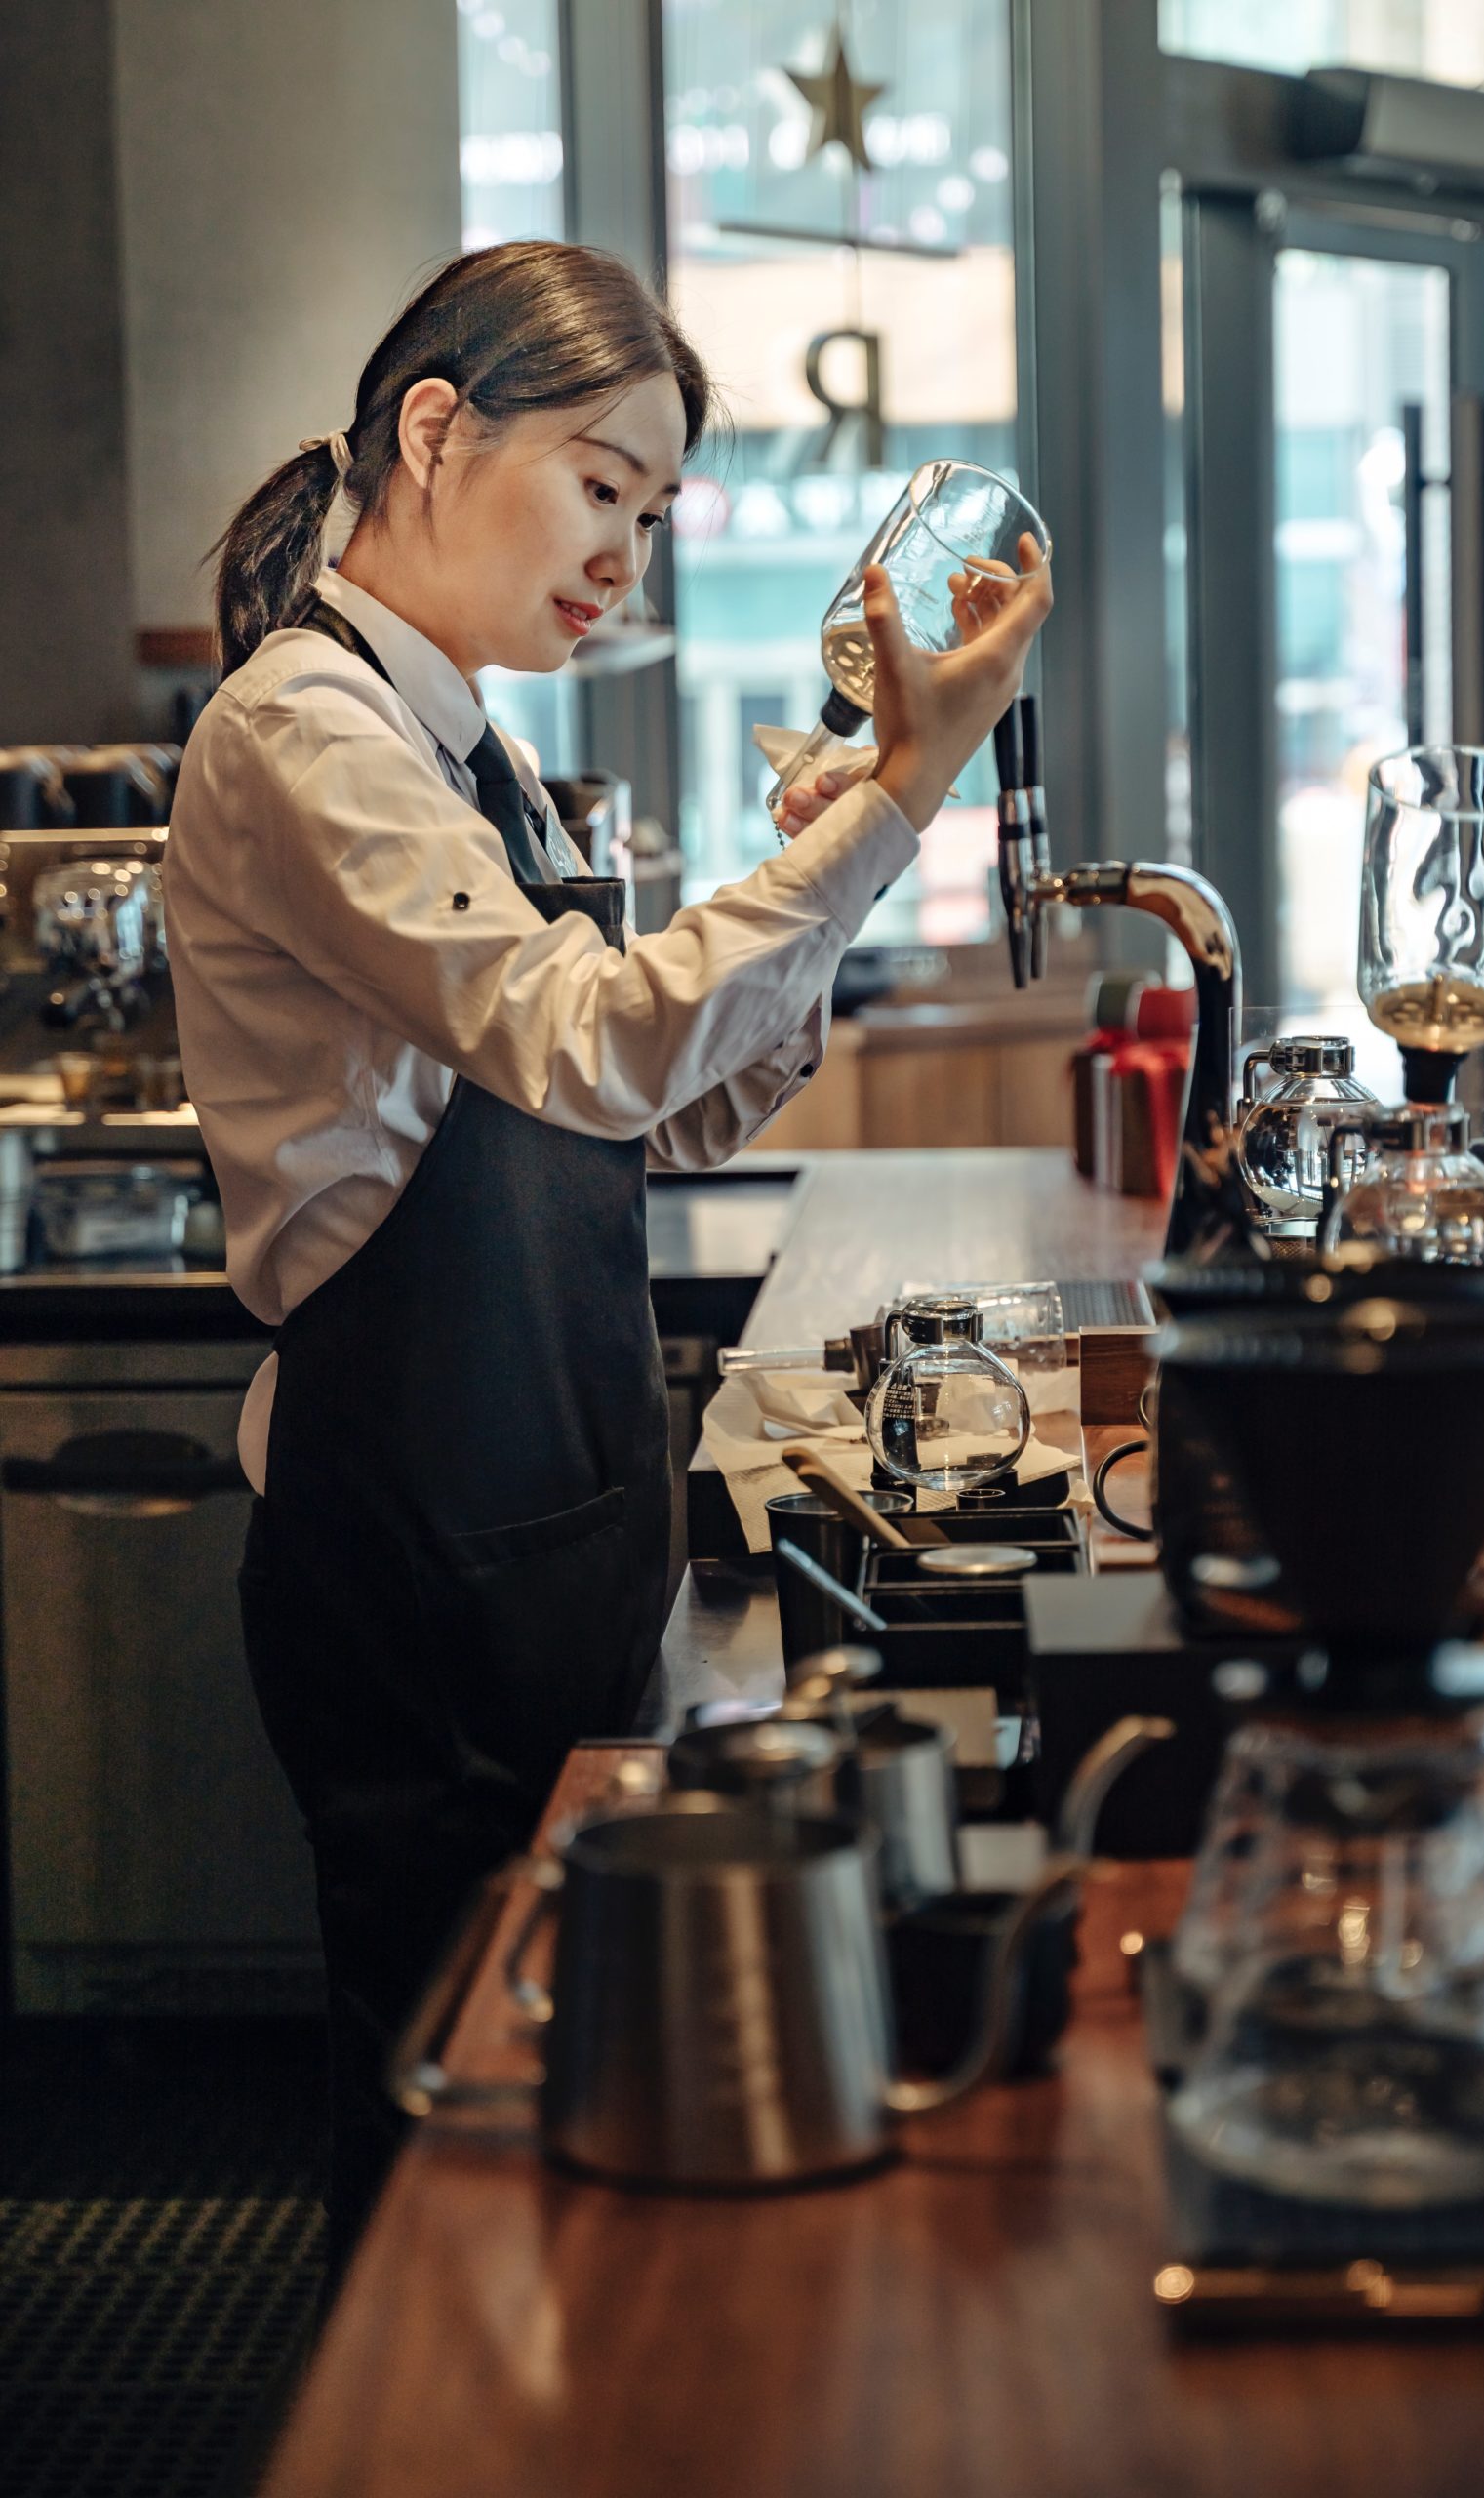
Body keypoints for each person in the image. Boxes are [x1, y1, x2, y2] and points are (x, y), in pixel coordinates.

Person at [166, 239, 1051, 2271]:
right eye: (599, 486)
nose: (624, 557)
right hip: (410, 1541)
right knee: (445, 2131)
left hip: (541, 1517)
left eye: (655, 515)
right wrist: (898, 791)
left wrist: (815, 870)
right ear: (433, 427)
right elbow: (590, 1036)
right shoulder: (306, 734)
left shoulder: (467, 748)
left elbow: (652, 1108)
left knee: (546, 2107)